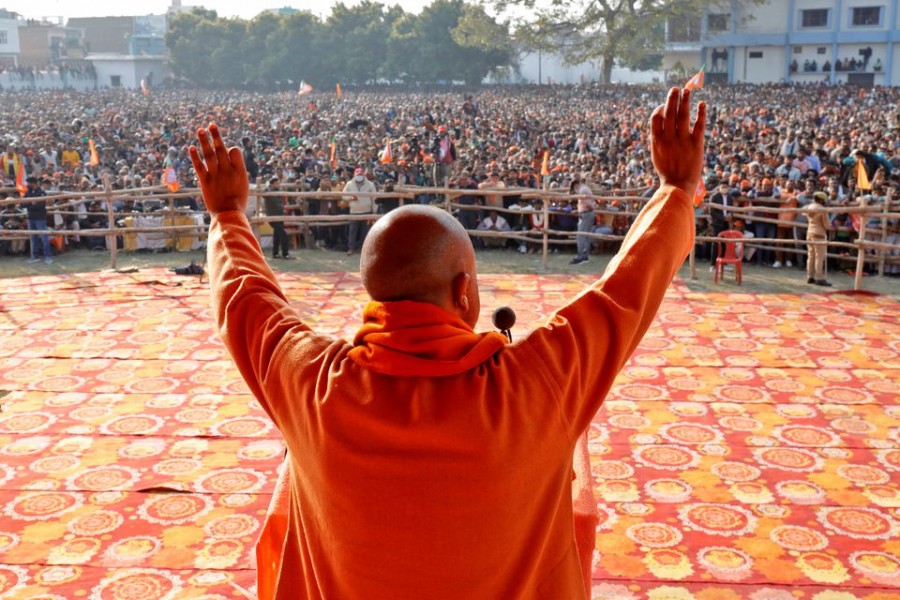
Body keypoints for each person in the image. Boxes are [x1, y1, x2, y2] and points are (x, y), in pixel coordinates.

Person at [188, 85, 704, 600]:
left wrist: (228, 214)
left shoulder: (310, 383)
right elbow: (625, 291)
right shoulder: (538, 383)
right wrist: (676, 190)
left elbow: (244, 296)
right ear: (463, 292)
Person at [342, 167, 376, 255]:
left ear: (364, 175)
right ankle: (351, 249)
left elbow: (374, 199)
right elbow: (343, 195)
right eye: (358, 174)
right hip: (354, 211)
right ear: (354, 175)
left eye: (361, 174)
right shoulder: (349, 184)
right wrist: (350, 198)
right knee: (352, 231)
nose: (359, 176)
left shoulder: (370, 184)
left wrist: (374, 211)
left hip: (367, 211)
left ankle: (364, 250)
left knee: (365, 232)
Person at [804, 191, 832, 286]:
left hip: (810, 232)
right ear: (821, 200)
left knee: (811, 256)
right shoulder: (822, 209)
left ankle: (810, 276)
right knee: (819, 257)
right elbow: (827, 225)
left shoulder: (809, 207)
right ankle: (819, 277)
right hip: (819, 233)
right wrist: (831, 226)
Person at [24, 177, 52, 264]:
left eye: (29, 183)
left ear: (34, 183)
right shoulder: (27, 192)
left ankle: (47, 256)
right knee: (33, 238)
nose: (28, 185)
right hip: (31, 217)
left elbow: (40, 205)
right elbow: (22, 203)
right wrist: (31, 203)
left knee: (44, 237)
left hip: (40, 218)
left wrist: (29, 204)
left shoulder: (41, 192)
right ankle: (35, 256)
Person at [264, 177, 290, 259]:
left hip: (280, 216)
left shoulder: (278, 191)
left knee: (277, 236)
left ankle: (275, 254)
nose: (278, 185)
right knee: (283, 235)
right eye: (276, 184)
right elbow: (265, 191)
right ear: (271, 184)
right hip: (272, 217)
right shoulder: (268, 190)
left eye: (278, 183)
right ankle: (285, 254)